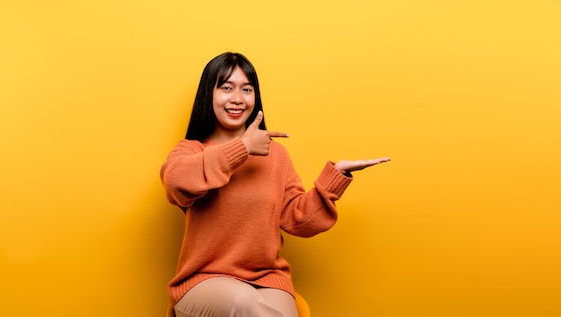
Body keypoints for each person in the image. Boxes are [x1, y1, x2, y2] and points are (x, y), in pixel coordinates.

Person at [160, 52, 390, 317]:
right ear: (207, 95)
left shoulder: (276, 156)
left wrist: (334, 180)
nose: (237, 98)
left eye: (246, 89)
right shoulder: (191, 150)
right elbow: (176, 182)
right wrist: (243, 147)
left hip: (266, 278)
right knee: (244, 304)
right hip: (203, 280)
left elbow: (298, 219)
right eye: (226, 88)